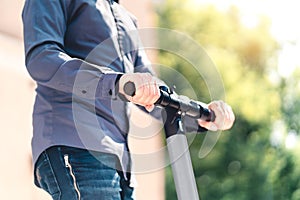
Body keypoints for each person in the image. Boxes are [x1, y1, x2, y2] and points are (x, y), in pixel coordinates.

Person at [22, 0, 235, 199]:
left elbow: (153, 90)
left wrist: (197, 114)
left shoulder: (126, 18)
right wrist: (116, 81)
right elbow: (42, 58)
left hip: (119, 163)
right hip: (74, 144)